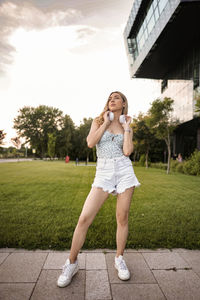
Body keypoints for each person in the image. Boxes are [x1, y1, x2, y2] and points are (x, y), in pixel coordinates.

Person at [57, 91, 140, 288]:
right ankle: (71, 263)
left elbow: (127, 151)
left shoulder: (127, 124)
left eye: (116, 97)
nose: (112, 100)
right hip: (103, 171)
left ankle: (119, 258)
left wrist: (127, 128)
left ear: (123, 103)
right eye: (110, 98)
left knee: (122, 217)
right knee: (84, 218)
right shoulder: (97, 120)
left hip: (124, 170)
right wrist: (104, 122)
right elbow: (90, 142)